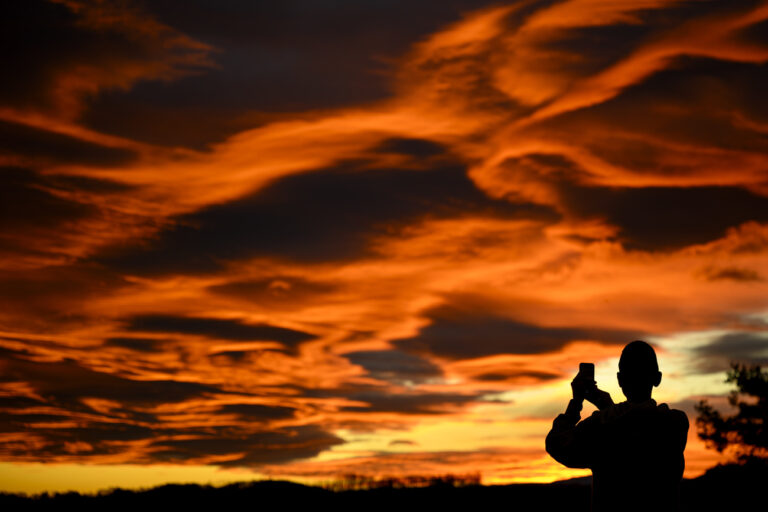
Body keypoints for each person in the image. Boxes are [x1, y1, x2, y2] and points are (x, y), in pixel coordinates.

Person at [546, 340, 689, 512]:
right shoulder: (675, 423)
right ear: (657, 378)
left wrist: (576, 403)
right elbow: (635, 426)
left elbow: (556, 444)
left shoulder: (599, 426)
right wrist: (608, 407)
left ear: (620, 380)